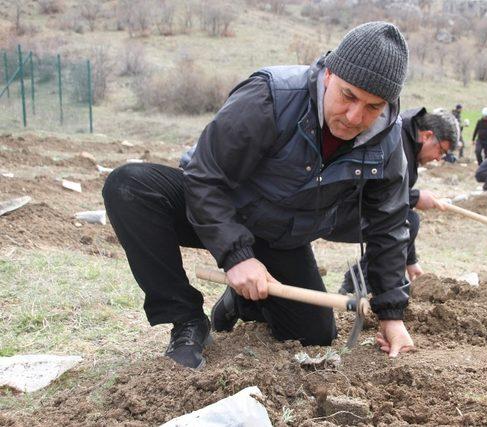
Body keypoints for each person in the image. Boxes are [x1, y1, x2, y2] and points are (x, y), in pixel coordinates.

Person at [102, 22, 415, 369]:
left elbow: (388, 225)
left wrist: (391, 314)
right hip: (219, 211)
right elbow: (204, 177)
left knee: (315, 334)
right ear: (329, 75)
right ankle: (187, 321)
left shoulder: (387, 141)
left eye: (373, 107)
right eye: (348, 96)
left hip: (281, 238)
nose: (356, 116)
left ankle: (244, 302)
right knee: (129, 186)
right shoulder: (271, 97)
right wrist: (236, 256)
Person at [337, 107, 459, 294]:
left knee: (407, 218)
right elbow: (375, 192)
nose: (437, 158)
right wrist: (415, 197)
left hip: (358, 208)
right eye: (440, 151)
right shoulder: (397, 139)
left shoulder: (408, 144)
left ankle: (366, 280)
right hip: (341, 207)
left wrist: (411, 261)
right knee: (406, 219)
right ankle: (361, 283)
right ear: (427, 136)